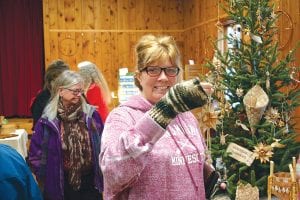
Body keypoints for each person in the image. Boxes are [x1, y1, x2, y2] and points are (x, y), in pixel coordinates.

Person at [99, 34, 214, 199]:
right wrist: (164, 111)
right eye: (153, 70)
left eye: (170, 70)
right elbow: (113, 173)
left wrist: (213, 186)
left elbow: (196, 163)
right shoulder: (122, 116)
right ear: (139, 76)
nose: (163, 77)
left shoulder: (186, 116)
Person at [29, 70, 103, 200]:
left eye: (81, 91)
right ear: (60, 91)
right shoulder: (47, 121)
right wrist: (44, 177)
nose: (79, 95)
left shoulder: (92, 116)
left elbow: (103, 144)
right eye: (75, 91)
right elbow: (36, 155)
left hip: (90, 182)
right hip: (59, 184)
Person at [30, 59, 70, 130]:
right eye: (56, 80)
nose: (59, 84)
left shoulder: (75, 95)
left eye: (63, 80)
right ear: (50, 80)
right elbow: (38, 125)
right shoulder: (42, 98)